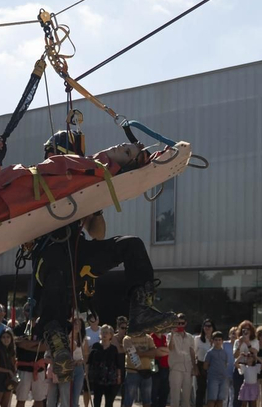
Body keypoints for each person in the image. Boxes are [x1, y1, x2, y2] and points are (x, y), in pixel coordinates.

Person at [25, 131, 174, 381]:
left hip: (78, 250)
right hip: (49, 254)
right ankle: (56, 340)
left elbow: (97, 235)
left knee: (132, 245)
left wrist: (95, 208)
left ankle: (141, 311)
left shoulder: (84, 181)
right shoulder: (37, 180)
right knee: (58, 271)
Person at [12, 305, 45, 407]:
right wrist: (35, 345)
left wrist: (27, 345)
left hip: (39, 368)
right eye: (27, 310)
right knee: (21, 398)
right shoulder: (19, 328)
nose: (30, 313)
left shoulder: (42, 328)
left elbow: (44, 346)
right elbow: (19, 344)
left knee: (39, 399)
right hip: (23, 368)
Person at [167, 314, 198, 407]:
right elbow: (170, 348)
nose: (180, 325)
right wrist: (173, 333)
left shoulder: (190, 337)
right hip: (175, 368)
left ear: (185, 323)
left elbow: (192, 351)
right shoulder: (171, 335)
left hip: (187, 368)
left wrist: (194, 367)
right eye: (177, 323)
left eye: (182, 323)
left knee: (186, 394)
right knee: (175, 394)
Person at [88, 324, 122, 407]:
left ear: (111, 335)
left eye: (107, 333)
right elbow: (89, 362)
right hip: (97, 376)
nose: (104, 334)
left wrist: (119, 376)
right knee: (97, 397)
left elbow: (118, 364)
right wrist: (87, 372)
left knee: (109, 398)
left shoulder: (114, 349)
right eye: (103, 332)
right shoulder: (96, 346)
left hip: (110, 377)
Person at [203, 327, 231, 407]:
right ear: (212, 341)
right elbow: (205, 366)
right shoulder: (210, 353)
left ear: (222, 341)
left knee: (220, 399)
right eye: (216, 340)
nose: (218, 342)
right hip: (213, 378)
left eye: (219, 340)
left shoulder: (224, 352)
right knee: (212, 399)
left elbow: (225, 364)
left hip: (223, 378)